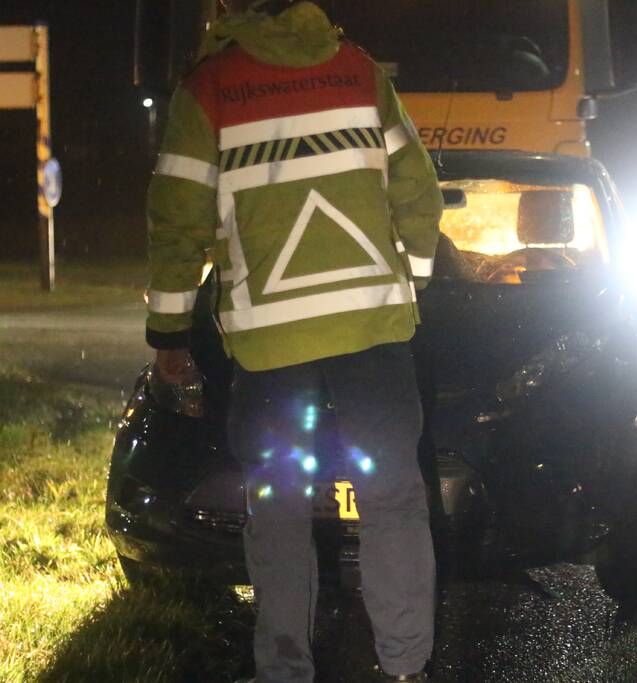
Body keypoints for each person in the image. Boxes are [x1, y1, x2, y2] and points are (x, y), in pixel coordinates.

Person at [144, 0, 443, 680]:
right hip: (372, 326)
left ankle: (284, 670)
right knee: (392, 495)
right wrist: (409, 279)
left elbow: (175, 220)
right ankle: (405, 668)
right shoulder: (357, 70)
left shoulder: (210, 89)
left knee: (277, 506)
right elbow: (418, 187)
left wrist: (168, 332)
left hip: (271, 338)